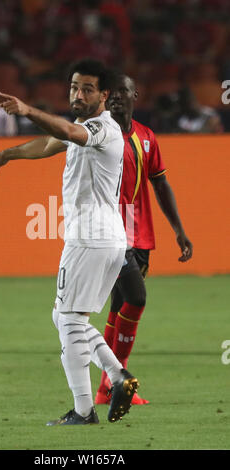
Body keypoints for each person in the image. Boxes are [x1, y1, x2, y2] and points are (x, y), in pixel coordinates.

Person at [0, 59, 139, 425]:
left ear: (104, 95)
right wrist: (8, 154)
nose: (78, 94)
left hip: (91, 237)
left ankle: (84, 410)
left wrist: (28, 109)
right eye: (74, 87)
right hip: (102, 237)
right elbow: (52, 141)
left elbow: (65, 131)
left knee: (67, 318)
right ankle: (118, 377)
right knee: (67, 317)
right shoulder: (81, 126)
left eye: (87, 89)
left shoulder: (103, 129)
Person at [95, 74, 193, 406]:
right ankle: (118, 381)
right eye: (110, 92)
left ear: (135, 94)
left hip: (140, 236)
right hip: (108, 235)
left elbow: (161, 185)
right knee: (136, 299)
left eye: (123, 91)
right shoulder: (97, 134)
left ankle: (105, 387)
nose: (116, 97)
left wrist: (178, 229)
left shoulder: (146, 137)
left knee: (119, 307)